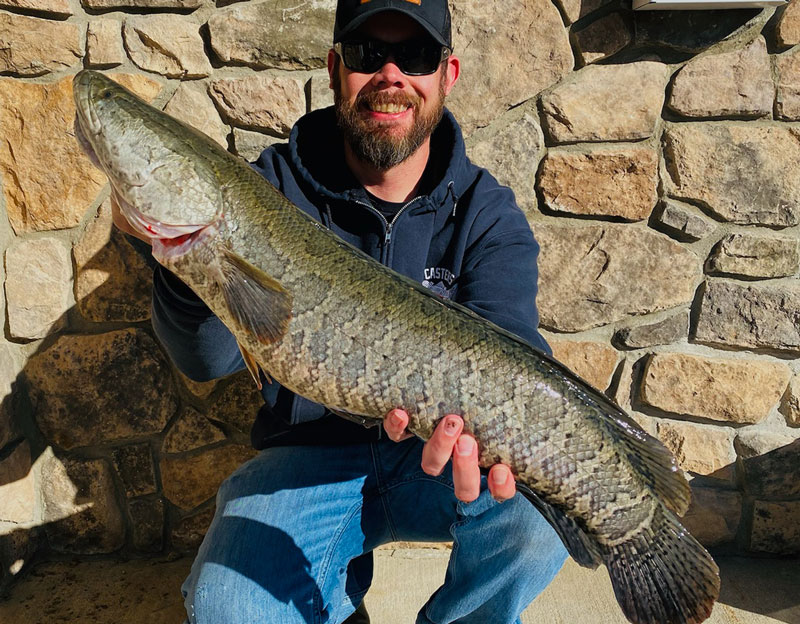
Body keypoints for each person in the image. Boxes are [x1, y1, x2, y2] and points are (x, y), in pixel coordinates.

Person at [115, 1, 568, 622]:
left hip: (434, 461)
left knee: (544, 510)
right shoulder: (267, 189)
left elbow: (512, 355)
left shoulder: (488, 215)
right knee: (228, 610)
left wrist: (481, 446)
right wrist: (183, 257)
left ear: (447, 74)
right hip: (306, 460)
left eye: (414, 55)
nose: (390, 75)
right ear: (334, 68)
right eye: (365, 54)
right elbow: (206, 358)